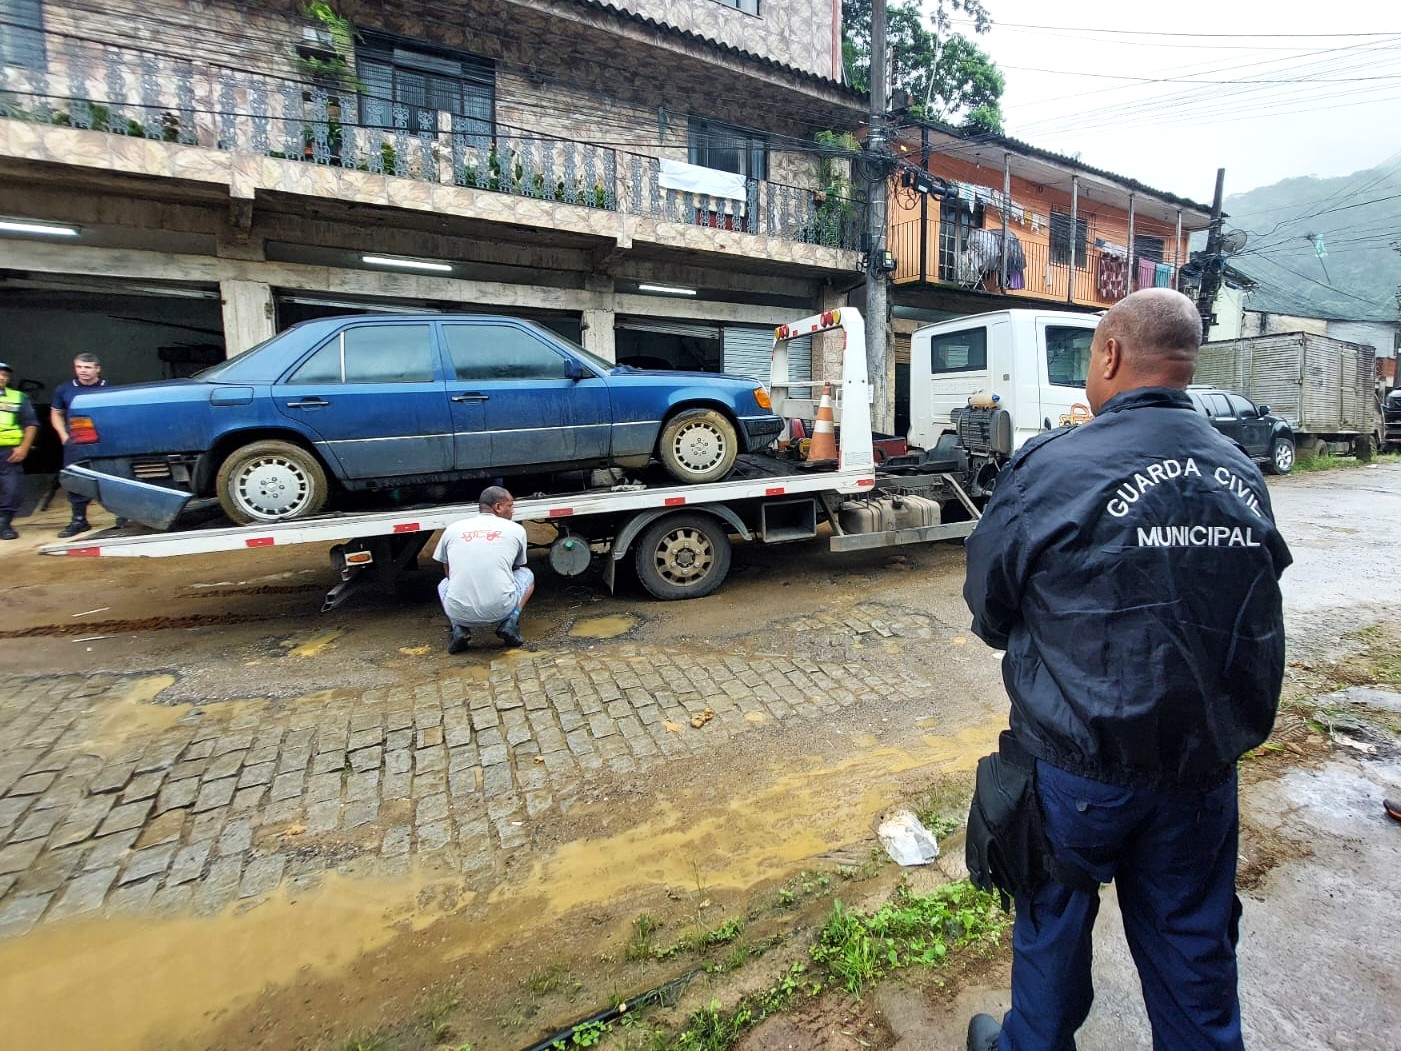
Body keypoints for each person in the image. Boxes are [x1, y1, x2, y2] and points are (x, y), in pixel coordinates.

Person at [961, 288, 1293, 1051]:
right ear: (1184, 362)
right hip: (1201, 773)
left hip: (1078, 772)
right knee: (1194, 954)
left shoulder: (1051, 466)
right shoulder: (1241, 470)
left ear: (1109, 354)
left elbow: (990, 608)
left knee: (1050, 932)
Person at [433, 485, 534, 651]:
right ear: (498, 507)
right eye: (510, 506)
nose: (512, 511)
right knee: (527, 575)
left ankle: (458, 628)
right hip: (500, 609)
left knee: (443, 584)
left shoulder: (453, 529)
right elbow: (517, 566)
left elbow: (448, 572)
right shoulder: (516, 530)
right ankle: (510, 622)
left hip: (459, 612)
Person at [50, 352, 110, 538]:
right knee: (76, 480)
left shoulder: (110, 389)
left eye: (88, 367)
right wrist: (63, 435)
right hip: (75, 443)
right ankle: (79, 520)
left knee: (110, 477)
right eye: (79, 367)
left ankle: (122, 517)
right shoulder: (64, 389)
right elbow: (56, 413)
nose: (83, 371)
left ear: (97, 369)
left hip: (104, 442)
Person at [0, 362, 39, 541]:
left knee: (13, 489)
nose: (2, 378)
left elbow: (31, 423)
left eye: (5, 375)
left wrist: (24, 447)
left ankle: (4, 523)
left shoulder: (18, 397)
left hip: (9, 452)